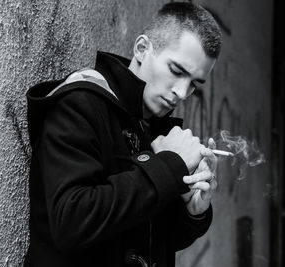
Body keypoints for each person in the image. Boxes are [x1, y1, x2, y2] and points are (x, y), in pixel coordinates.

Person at [25, 2, 222, 267]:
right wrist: (169, 165)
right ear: (142, 49)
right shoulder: (80, 103)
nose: (182, 93)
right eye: (177, 71)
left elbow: (147, 238)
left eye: (194, 84)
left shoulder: (153, 126)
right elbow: (72, 220)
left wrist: (193, 211)